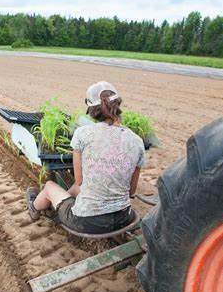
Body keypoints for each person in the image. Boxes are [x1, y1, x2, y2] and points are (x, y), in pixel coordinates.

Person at [26, 81, 145, 234]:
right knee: (77, 188)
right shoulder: (137, 141)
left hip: (87, 222)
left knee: (49, 186)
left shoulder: (83, 133)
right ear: (118, 105)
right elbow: (131, 191)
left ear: (92, 111)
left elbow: (80, 181)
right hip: (124, 218)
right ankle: (55, 204)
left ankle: (34, 207)